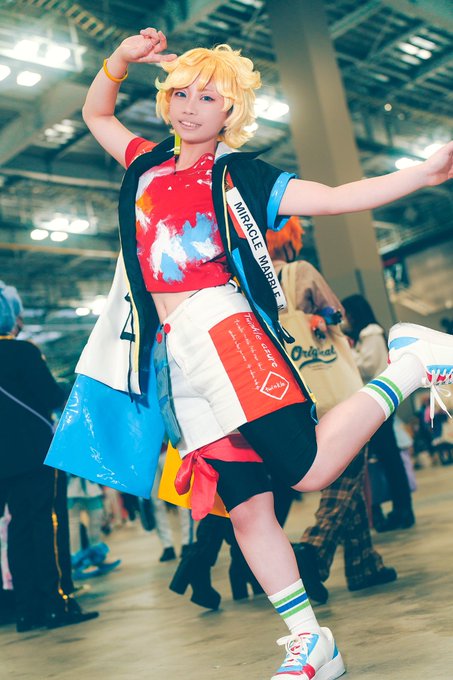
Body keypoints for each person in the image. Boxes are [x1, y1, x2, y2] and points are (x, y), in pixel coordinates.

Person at [69, 27, 453, 679]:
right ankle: (311, 643)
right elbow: (96, 114)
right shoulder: (144, 163)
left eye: (208, 97)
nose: (191, 107)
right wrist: (120, 59)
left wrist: (424, 173)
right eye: (181, 93)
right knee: (245, 504)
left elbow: (332, 198)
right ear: (165, 99)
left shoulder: (239, 174)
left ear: (231, 111)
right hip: (171, 354)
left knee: (307, 470)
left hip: (223, 328)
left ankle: (412, 363)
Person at [267, 220, 397, 602]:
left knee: (342, 467)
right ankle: (314, 549)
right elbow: (338, 314)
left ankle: (363, 564)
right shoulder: (299, 271)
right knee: (350, 459)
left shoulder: (250, 282)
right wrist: (323, 317)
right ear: (288, 238)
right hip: (328, 388)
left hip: (288, 393)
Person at [0, 282, 98, 632]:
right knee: (48, 525)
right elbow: (51, 396)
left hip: (4, 462)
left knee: (18, 529)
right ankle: (57, 602)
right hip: (35, 453)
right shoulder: (23, 351)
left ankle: (28, 611)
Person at [342, 294, 416, 531]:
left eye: (346, 314)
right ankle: (400, 510)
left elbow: (368, 366)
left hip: (379, 403)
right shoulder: (367, 334)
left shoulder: (371, 333)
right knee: (387, 458)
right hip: (378, 402)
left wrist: (346, 352)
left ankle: (403, 511)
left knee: (389, 458)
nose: (345, 319)